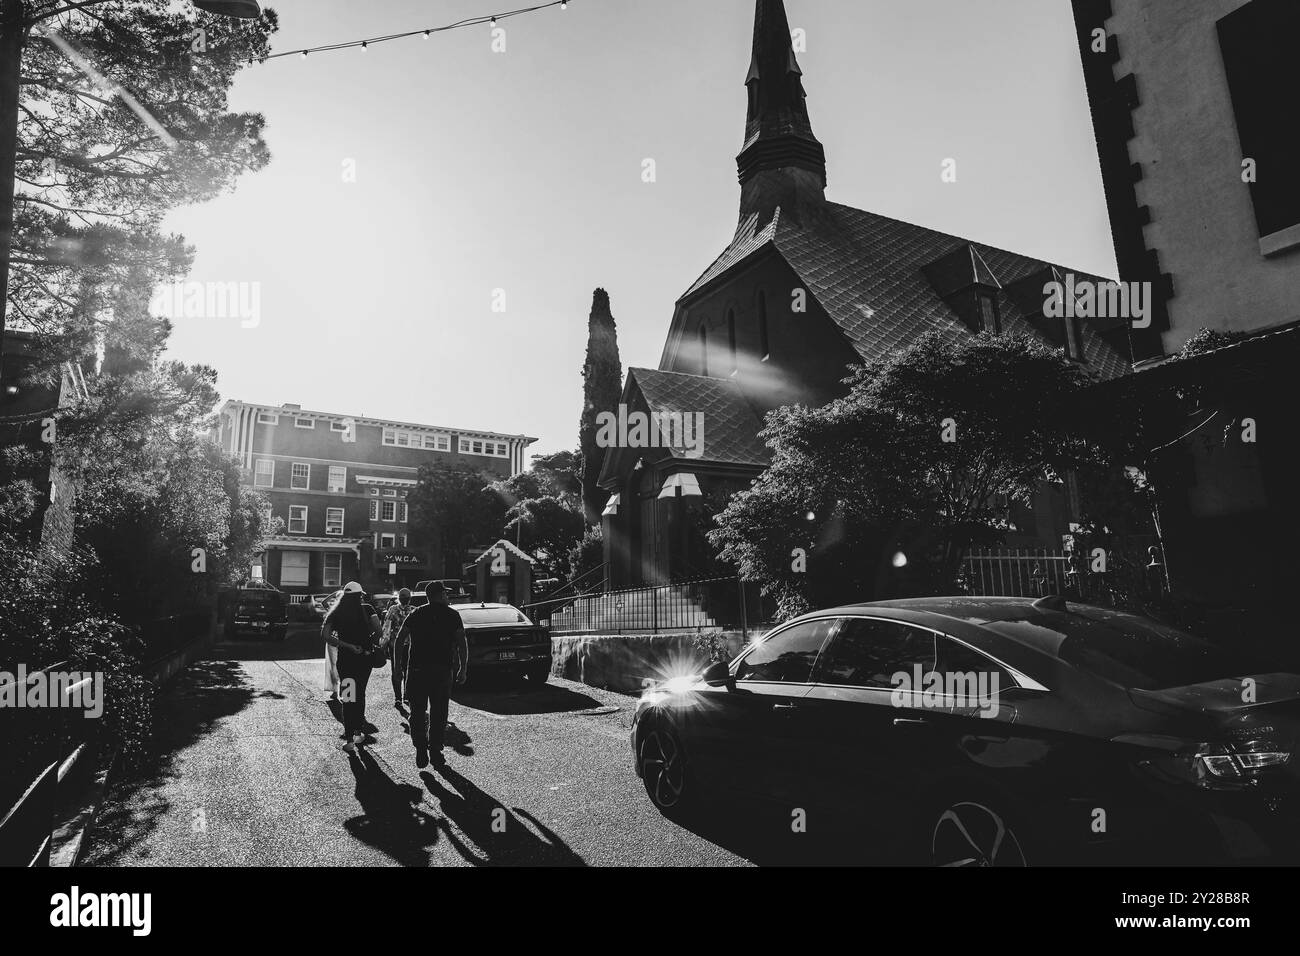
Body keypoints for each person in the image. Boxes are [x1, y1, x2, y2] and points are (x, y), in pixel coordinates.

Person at [398, 581, 467, 768]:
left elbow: (399, 638)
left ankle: (421, 747)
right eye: (446, 593)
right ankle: (435, 751)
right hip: (442, 671)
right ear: (441, 594)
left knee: (417, 712)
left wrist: (397, 667)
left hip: (417, 671)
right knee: (439, 713)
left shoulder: (416, 613)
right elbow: (462, 642)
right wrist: (463, 667)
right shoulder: (452, 615)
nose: (447, 597)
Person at [322, 582, 383, 754]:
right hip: (364, 659)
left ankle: (349, 739)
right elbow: (378, 631)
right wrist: (366, 640)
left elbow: (326, 635)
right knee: (360, 694)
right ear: (359, 595)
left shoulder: (337, 611)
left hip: (346, 660)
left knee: (348, 696)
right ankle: (358, 732)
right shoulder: (368, 609)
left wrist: (347, 645)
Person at [384, 588, 416, 707]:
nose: (405, 598)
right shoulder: (412, 610)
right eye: (404, 596)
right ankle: (402, 697)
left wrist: (385, 642)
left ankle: (402, 697)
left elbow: (386, 627)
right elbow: (387, 627)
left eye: (405, 596)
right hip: (402, 645)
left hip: (400, 645)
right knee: (402, 669)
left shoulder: (395, 609)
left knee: (400, 670)